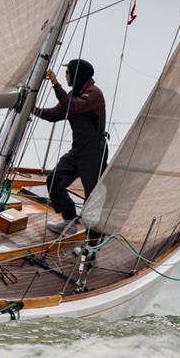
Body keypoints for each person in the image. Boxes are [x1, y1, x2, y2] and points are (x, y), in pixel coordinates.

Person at [33, 59, 108, 236]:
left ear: (76, 74)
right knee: (54, 180)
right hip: (78, 150)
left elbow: (72, 108)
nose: (65, 76)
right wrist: (32, 109)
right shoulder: (73, 94)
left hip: (93, 153)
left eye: (67, 72)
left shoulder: (93, 94)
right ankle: (69, 222)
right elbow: (54, 114)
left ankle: (92, 245)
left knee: (92, 198)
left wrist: (55, 83)